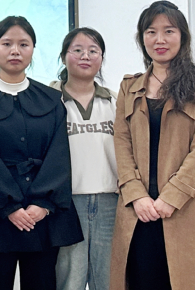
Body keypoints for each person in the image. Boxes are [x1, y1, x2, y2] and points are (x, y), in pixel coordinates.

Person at [0, 16, 82, 290]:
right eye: (7, 44)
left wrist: (42, 204)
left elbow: (59, 156)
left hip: (42, 215)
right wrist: (10, 207)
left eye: (23, 44)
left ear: (33, 49)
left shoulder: (51, 100)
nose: (15, 51)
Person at [110, 1, 195, 290]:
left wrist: (170, 198)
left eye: (168, 31)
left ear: (182, 36)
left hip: (185, 210)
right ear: (142, 38)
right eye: (151, 32)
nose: (159, 39)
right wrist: (137, 195)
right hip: (138, 212)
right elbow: (121, 144)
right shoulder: (129, 88)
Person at [48, 28, 117, 290]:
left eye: (93, 51)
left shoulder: (115, 101)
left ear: (102, 58)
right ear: (63, 56)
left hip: (110, 203)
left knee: (108, 281)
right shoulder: (48, 100)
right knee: (69, 281)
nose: (85, 56)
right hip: (66, 205)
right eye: (77, 50)